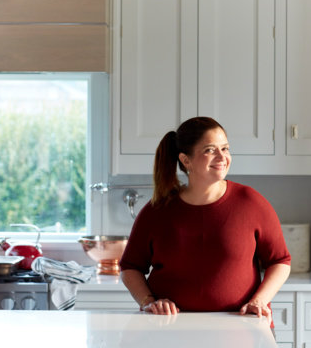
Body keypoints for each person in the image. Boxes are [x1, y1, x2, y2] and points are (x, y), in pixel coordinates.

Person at [120, 117, 291, 327]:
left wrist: (259, 300)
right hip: (171, 330)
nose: (222, 157)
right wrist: (148, 302)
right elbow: (130, 267)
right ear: (186, 160)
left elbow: (280, 261)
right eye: (210, 150)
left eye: (225, 148)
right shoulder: (157, 210)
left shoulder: (251, 202)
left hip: (243, 327)